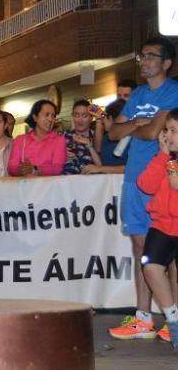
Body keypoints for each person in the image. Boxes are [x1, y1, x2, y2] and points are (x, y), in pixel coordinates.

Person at [107, 37, 178, 341]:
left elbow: (153, 133)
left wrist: (137, 125)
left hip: (164, 179)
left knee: (169, 252)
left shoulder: (172, 91)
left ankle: (173, 315)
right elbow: (113, 131)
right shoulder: (137, 94)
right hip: (134, 179)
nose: (144, 60)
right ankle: (143, 317)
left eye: (151, 56)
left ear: (166, 63)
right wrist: (140, 122)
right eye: (142, 56)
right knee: (139, 248)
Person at [134, 107, 178, 351]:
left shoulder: (172, 162)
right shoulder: (164, 158)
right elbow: (145, 185)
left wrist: (170, 161)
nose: (168, 135)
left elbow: (175, 183)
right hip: (161, 225)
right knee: (150, 267)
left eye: (173, 131)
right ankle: (173, 319)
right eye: (167, 130)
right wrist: (163, 156)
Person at [7, 100, 68, 177]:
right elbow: (11, 167)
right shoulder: (20, 140)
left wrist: (35, 169)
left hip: (50, 187)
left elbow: (59, 168)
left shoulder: (59, 140)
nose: (50, 119)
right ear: (35, 117)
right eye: (46, 115)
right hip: (25, 187)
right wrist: (20, 170)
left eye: (53, 116)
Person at [62, 99, 103, 175]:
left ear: (91, 118)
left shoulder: (97, 137)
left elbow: (101, 167)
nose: (80, 120)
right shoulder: (63, 136)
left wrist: (99, 116)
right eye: (76, 115)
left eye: (84, 116)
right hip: (65, 182)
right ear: (72, 117)